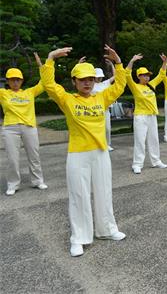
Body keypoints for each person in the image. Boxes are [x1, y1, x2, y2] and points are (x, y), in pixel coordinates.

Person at [40, 45, 127, 257]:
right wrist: (50, 59)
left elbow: (121, 86)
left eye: (90, 79)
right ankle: (79, 238)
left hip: (100, 153)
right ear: (74, 82)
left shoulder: (101, 98)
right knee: (79, 196)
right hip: (78, 154)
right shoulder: (68, 99)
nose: (87, 83)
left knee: (104, 191)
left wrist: (118, 63)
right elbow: (49, 85)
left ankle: (107, 229)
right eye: (82, 79)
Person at [1, 63, 47, 196]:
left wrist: (42, 67)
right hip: (10, 128)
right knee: (12, 158)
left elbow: (44, 83)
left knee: (34, 155)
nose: (15, 82)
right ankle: (13, 184)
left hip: (29, 127)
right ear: (8, 81)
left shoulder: (30, 92)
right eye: (12, 79)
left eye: (18, 79)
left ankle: (38, 181)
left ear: (21, 81)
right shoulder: (3, 93)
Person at [126, 54, 167, 174]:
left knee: (154, 139)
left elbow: (161, 75)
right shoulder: (135, 87)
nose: (147, 77)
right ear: (139, 76)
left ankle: (156, 161)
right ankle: (137, 164)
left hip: (152, 116)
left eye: (148, 75)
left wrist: (165, 63)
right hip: (140, 116)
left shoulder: (152, 85)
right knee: (140, 140)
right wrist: (132, 60)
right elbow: (127, 75)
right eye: (144, 75)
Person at [86, 58, 116, 151]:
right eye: (97, 77)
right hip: (93, 110)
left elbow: (116, 76)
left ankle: (107, 144)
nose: (99, 78)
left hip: (105, 109)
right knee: (94, 128)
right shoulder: (90, 85)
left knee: (107, 129)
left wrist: (112, 65)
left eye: (100, 77)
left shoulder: (105, 83)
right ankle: (95, 144)